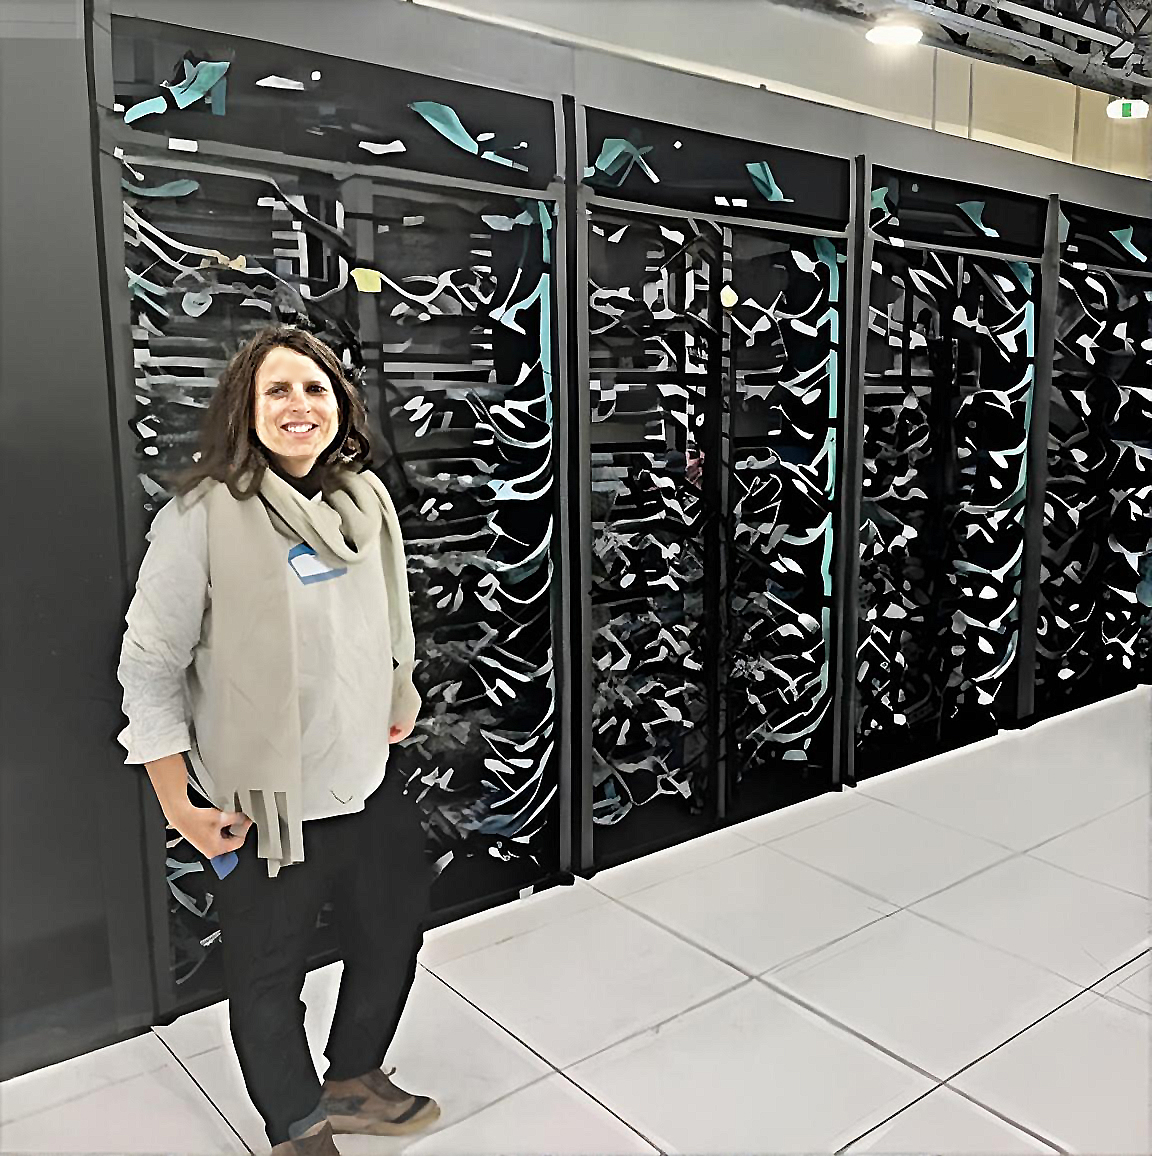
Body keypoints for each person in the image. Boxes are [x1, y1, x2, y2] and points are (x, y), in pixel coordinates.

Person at [117, 326, 440, 1155]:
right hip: (264, 806)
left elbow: (387, 624)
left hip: (366, 778)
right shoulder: (200, 519)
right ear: (244, 409)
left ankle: (354, 1076)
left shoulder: (363, 505)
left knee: (393, 938)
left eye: (317, 390)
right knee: (269, 976)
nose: (301, 406)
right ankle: (296, 1125)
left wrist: (396, 689)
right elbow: (149, 665)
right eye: (279, 391)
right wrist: (178, 805)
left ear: (341, 407)